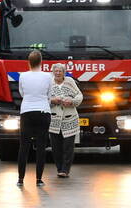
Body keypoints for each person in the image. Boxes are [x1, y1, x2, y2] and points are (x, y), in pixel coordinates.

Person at [17, 50, 52, 187]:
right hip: (43, 110)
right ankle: (39, 179)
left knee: (24, 145)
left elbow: (22, 92)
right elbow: (49, 93)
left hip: (26, 111)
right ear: (41, 61)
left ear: (29, 62)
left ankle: (21, 178)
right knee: (42, 145)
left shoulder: (23, 76)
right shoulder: (47, 76)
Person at [48, 64, 83, 178]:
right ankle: (59, 168)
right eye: (56, 71)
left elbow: (79, 96)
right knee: (56, 146)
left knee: (68, 146)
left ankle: (65, 170)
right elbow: (43, 98)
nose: (58, 73)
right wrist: (52, 100)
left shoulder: (70, 81)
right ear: (53, 72)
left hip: (70, 119)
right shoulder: (49, 82)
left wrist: (72, 101)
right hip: (54, 120)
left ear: (64, 72)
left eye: (60, 71)